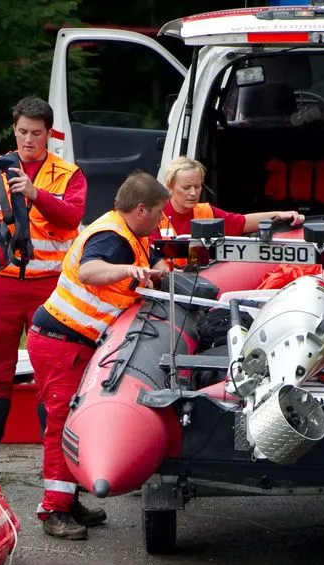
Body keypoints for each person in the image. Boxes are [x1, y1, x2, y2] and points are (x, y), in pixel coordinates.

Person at [28, 171, 171, 540]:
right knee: (61, 424)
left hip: (73, 342)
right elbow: (92, 271)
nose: (159, 219)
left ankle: (68, 499)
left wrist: (155, 270)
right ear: (141, 209)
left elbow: (155, 259)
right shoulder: (111, 239)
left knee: (71, 419)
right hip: (62, 341)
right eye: (157, 212)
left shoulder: (129, 233)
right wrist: (129, 271)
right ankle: (53, 511)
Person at [0, 96, 87, 484]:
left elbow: (72, 217)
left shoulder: (68, 174)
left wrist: (34, 193)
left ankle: (59, 470)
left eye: (37, 133)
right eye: (23, 132)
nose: (29, 139)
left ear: (49, 135)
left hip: (51, 288)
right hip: (0, 285)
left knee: (53, 379)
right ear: (14, 130)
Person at [158, 156, 304, 244]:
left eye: (197, 186)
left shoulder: (206, 211)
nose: (193, 193)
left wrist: (280, 214)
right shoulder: (156, 215)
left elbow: (243, 222)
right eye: (186, 187)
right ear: (170, 186)